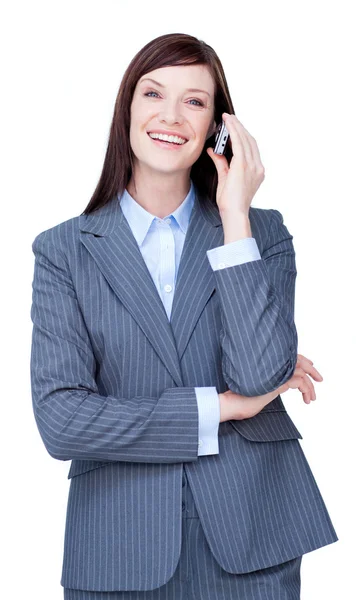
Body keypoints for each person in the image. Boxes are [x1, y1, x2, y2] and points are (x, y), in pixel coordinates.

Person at [30, 32, 338, 599]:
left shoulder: (262, 233)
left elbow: (257, 373)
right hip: (120, 542)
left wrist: (235, 216)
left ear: (219, 127)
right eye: (154, 94)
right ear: (127, 109)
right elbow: (62, 420)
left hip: (252, 537)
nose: (171, 115)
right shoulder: (64, 251)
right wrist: (218, 409)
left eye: (194, 101)